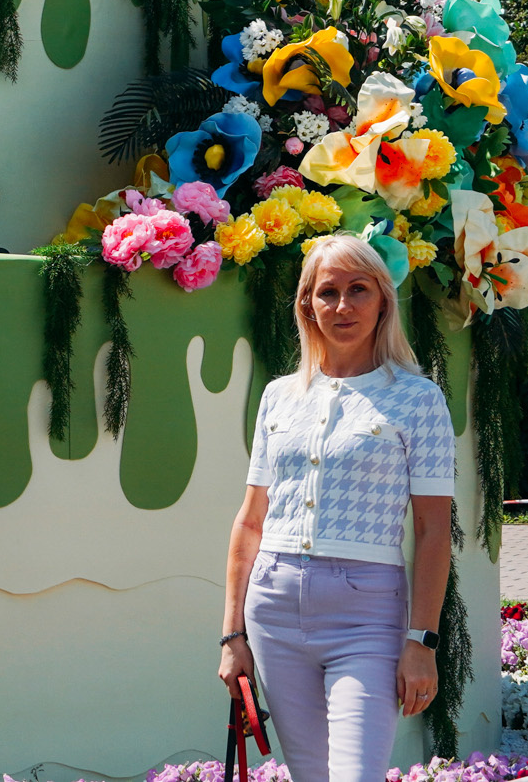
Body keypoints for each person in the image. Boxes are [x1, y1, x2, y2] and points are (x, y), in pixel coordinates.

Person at [220, 233, 456, 782]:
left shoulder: (418, 399)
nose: (343, 306)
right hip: (273, 609)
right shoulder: (279, 396)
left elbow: (433, 531)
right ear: (308, 304)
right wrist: (232, 637)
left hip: (366, 615)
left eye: (359, 290)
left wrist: (422, 642)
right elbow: (250, 521)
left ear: (383, 301)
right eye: (328, 292)